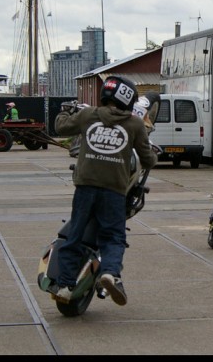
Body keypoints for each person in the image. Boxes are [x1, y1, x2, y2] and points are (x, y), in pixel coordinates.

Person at [54, 76, 158, 306]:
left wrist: (64, 111)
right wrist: (154, 156)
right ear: (129, 99)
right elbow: (147, 159)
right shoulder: (134, 124)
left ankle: (65, 285)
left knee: (75, 235)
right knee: (113, 236)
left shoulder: (88, 115)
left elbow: (61, 127)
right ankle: (110, 273)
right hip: (114, 190)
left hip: (85, 186)